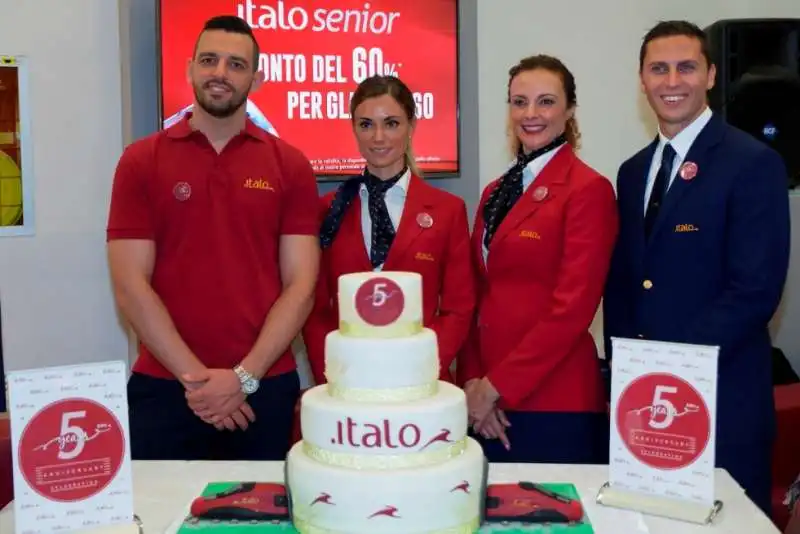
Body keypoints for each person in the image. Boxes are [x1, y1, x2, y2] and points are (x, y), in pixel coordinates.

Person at [106, 15, 320, 461]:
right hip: (165, 387)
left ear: (256, 79)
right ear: (190, 69)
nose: (220, 73)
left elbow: (301, 285)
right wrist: (198, 383)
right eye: (209, 60)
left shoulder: (291, 165)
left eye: (236, 64)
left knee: (262, 528)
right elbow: (129, 283)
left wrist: (242, 379)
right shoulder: (140, 160)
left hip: (263, 387)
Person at [603, 20, 790, 515]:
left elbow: (755, 291)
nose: (671, 81)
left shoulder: (753, 163)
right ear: (641, 80)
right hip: (645, 409)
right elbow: (625, 282)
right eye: (658, 69)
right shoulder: (632, 171)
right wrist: (622, 377)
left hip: (720, 402)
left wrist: (664, 366)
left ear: (710, 75)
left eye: (686, 67)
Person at [457, 55, 618, 463]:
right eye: (519, 102)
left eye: (545, 102)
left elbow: (572, 310)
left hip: (554, 400)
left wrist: (495, 386)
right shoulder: (496, 191)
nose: (531, 114)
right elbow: (478, 296)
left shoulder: (588, 190)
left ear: (569, 111)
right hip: (489, 406)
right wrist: (475, 383)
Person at [302, 75, 475, 386]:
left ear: (411, 126)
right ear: (353, 128)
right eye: (366, 124)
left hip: (422, 383)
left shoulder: (448, 210)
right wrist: (333, 375)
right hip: (346, 385)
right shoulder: (328, 210)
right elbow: (315, 309)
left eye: (391, 123)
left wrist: (420, 370)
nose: (378, 137)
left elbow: (458, 309)